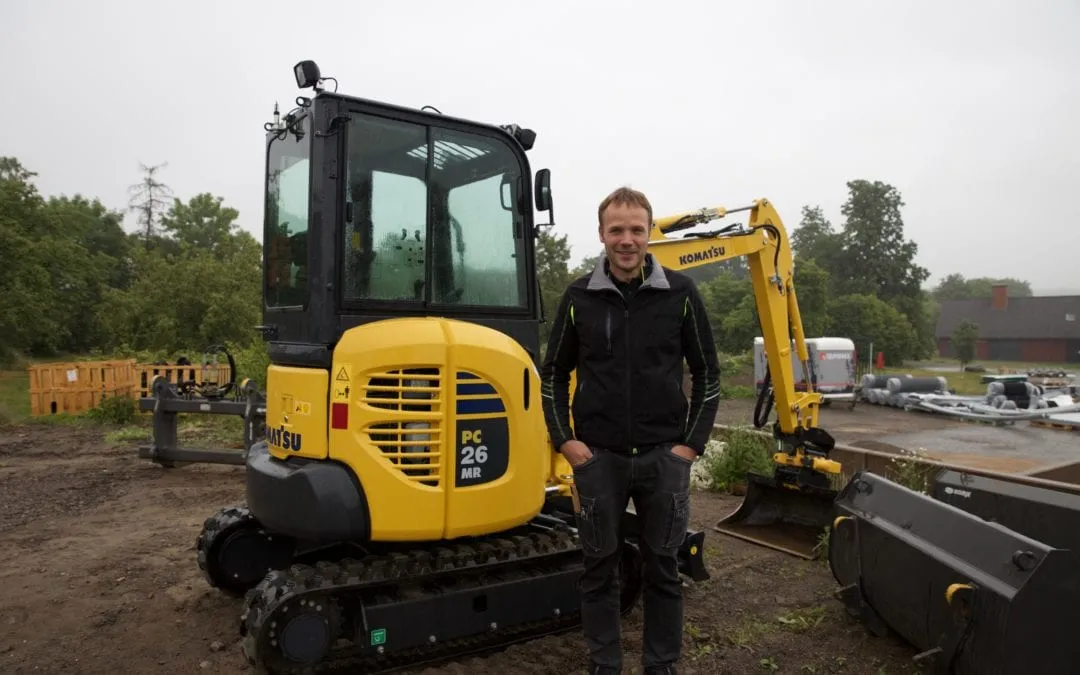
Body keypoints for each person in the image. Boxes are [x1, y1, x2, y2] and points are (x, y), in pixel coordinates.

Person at [539, 186, 721, 674]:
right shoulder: (579, 297)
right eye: (616, 229)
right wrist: (567, 442)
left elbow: (707, 373)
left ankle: (660, 667)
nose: (626, 239)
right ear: (602, 234)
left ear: (649, 233)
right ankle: (606, 667)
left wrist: (690, 445)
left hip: (665, 458)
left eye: (636, 229)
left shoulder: (681, 295)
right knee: (600, 571)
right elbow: (552, 373)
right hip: (599, 458)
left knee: (664, 570)